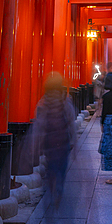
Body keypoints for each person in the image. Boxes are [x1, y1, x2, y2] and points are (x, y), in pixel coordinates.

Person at [32, 73, 77, 208]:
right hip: (63, 141)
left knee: (50, 166)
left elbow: (39, 124)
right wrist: (74, 141)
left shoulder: (43, 102)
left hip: (49, 141)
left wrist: (35, 144)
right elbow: (71, 123)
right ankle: (59, 188)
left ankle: (51, 188)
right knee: (62, 167)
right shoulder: (65, 101)